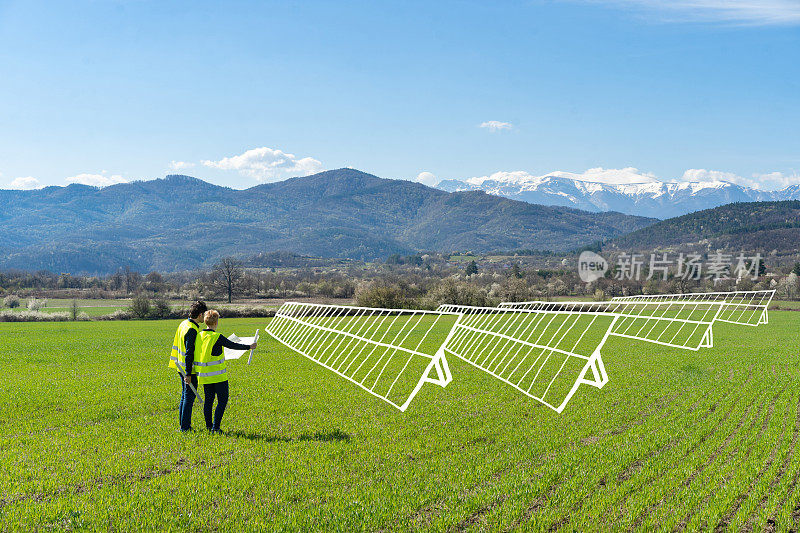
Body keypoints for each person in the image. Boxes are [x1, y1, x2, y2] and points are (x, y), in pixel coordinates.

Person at [195, 309, 257, 433]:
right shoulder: (217, 336)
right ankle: (216, 428)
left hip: (204, 376)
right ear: (216, 322)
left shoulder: (199, 336)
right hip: (218, 377)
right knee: (222, 401)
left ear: (206, 321)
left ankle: (209, 426)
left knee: (208, 402)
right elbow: (232, 345)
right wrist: (249, 346)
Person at [169, 300, 208, 432]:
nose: (205, 317)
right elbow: (189, 354)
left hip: (180, 365)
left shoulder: (184, 324)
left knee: (185, 395)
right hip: (187, 368)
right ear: (200, 315)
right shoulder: (191, 330)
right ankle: (185, 427)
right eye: (204, 314)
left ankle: (182, 425)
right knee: (189, 397)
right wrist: (188, 374)